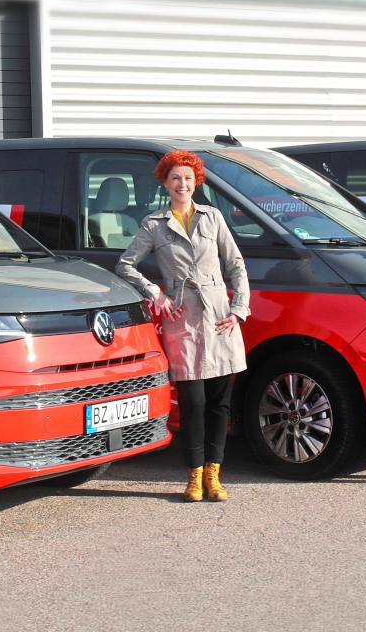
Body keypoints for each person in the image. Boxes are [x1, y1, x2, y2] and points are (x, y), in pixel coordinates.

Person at [116, 150, 250, 501]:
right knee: (193, 403)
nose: (182, 184)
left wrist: (239, 309)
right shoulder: (154, 224)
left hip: (220, 318)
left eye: (188, 178)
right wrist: (156, 293)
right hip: (183, 319)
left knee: (220, 403)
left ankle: (214, 476)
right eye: (175, 178)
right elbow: (126, 265)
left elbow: (236, 264)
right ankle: (193, 476)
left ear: (196, 182)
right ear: (165, 182)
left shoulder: (213, 217)